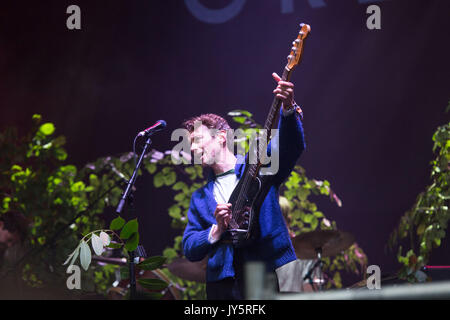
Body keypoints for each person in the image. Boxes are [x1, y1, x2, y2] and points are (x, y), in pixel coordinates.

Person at [181, 72, 305, 300]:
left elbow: (290, 147)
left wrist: (288, 109)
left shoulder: (257, 164)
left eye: (197, 141)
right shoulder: (200, 198)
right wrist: (216, 230)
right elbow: (189, 247)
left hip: (275, 268)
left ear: (221, 137)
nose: (193, 150)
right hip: (226, 284)